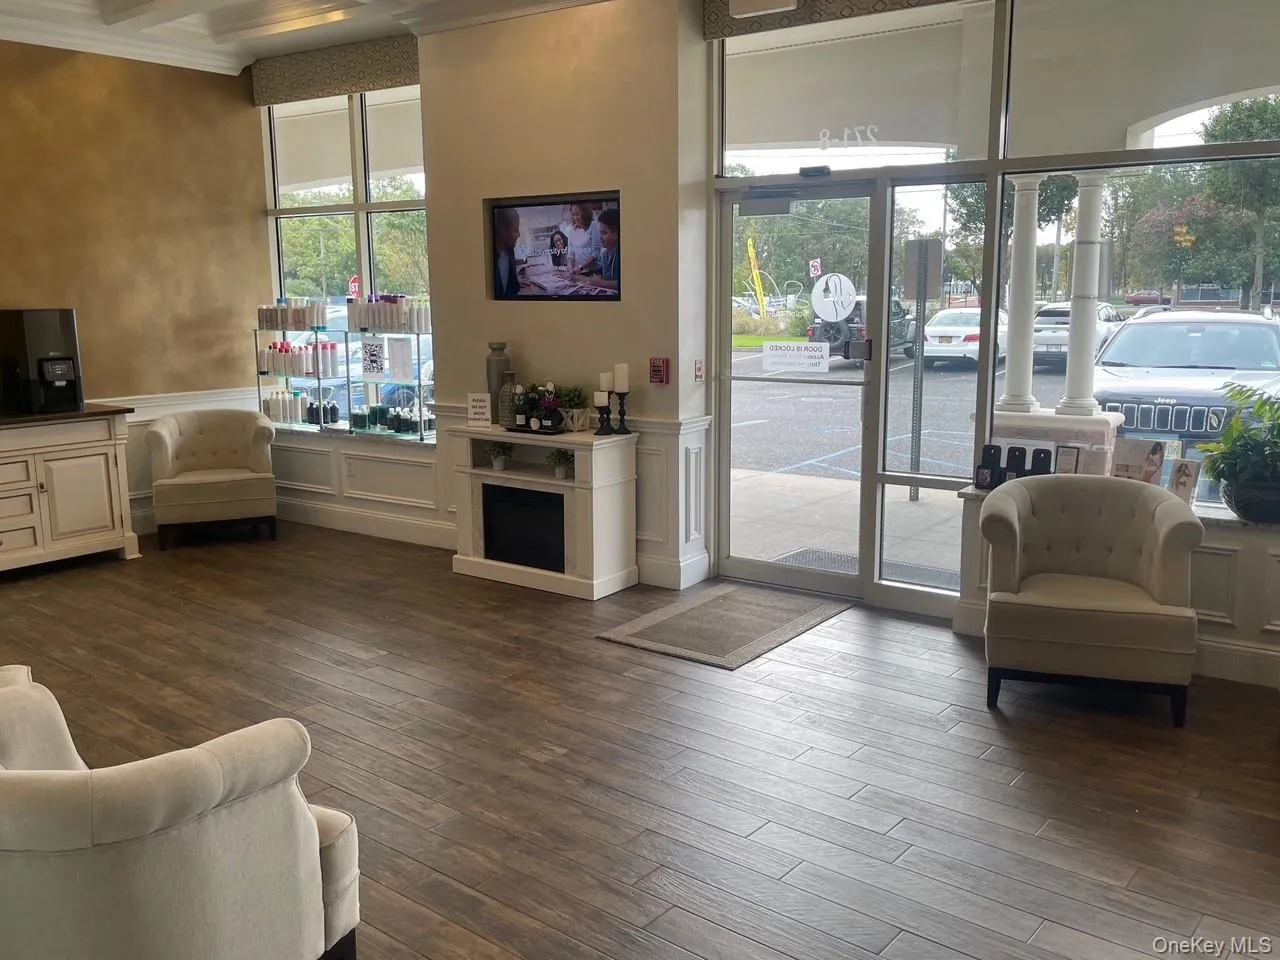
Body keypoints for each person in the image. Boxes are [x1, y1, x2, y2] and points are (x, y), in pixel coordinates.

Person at [580, 208, 620, 292]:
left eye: (604, 233)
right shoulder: (605, 254)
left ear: (616, 234)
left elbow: (622, 283)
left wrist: (600, 282)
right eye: (600, 233)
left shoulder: (620, 254)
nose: (600, 237)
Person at [493, 207, 523, 298]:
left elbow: (513, 286)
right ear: (502, 230)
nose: (519, 235)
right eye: (515, 230)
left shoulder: (510, 250)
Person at [565, 203, 601, 275]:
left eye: (577, 214)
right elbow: (570, 253)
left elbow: (595, 253)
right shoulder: (571, 230)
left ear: (585, 214)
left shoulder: (593, 227)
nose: (575, 218)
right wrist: (570, 267)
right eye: (573, 214)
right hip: (578, 272)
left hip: (593, 271)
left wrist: (581, 267)